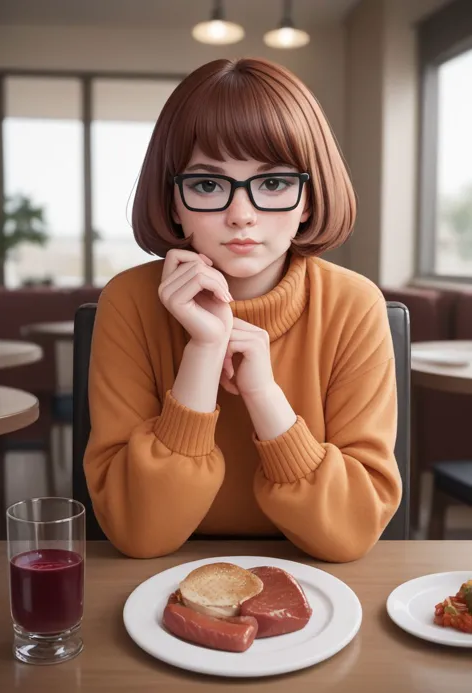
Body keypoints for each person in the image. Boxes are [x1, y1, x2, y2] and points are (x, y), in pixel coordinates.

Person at [84, 57, 402, 561]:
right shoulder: (128, 302)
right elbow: (138, 533)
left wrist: (262, 393)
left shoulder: (354, 306)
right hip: (156, 584)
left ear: (309, 201)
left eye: (273, 183)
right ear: (173, 202)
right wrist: (204, 350)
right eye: (208, 185)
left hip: (317, 584)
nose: (241, 215)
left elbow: (349, 534)